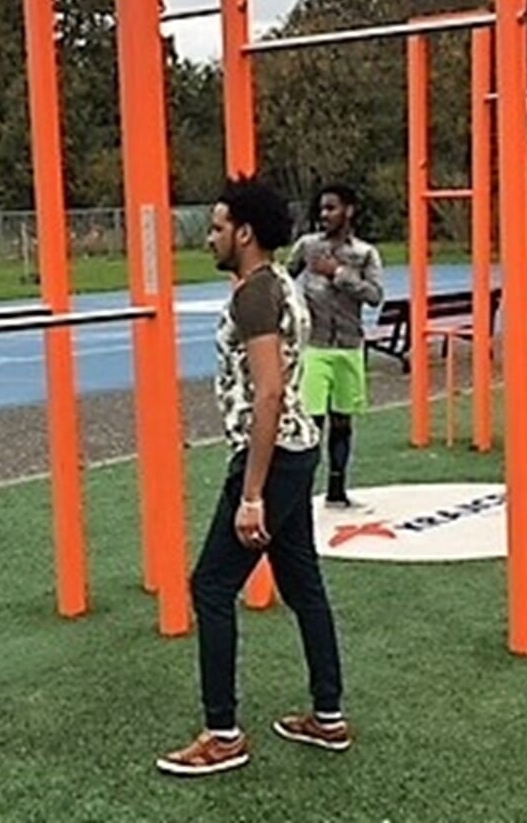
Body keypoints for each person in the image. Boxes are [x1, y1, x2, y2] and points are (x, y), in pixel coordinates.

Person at [157, 177, 350, 777]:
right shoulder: (277, 285)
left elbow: (268, 392)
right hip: (296, 448)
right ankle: (328, 716)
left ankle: (222, 733)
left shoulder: (255, 296)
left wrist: (251, 495)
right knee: (303, 584)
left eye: (217, 227)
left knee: (211, 586)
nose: (209, 237)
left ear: (243, 233)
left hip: (272, 457)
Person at [287, 183, 385, 507]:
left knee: (342, 421)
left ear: (349, 210)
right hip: (314, 346)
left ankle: (337, 489)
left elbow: (375, 296)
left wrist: (340, 273)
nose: (325, 214)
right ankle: (299, 491)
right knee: (311, 419)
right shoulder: (308, 246)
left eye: (332, 208)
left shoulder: (365, 253)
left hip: (348, 344)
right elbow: (285, 279)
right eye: (322, 208)